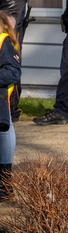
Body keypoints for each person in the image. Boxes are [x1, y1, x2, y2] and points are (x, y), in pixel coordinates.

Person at [0, 12, 21, 201]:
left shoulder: (4, 42)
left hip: (1, 100)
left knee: (5, 131)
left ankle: (5, 184)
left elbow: (13, 73)